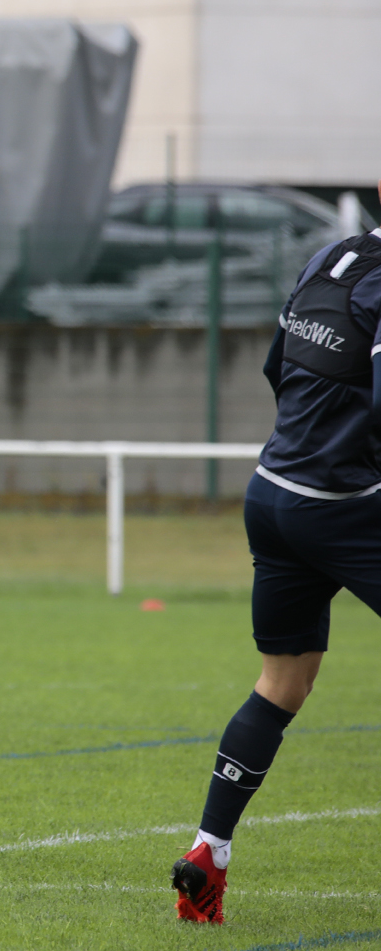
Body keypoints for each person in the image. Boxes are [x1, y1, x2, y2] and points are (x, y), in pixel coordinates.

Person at [169, 186, 381, 923]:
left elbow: (275, 368)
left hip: (272, 493)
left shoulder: (331, 259)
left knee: (281, 683)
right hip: (340, 505)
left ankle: (208, 853)